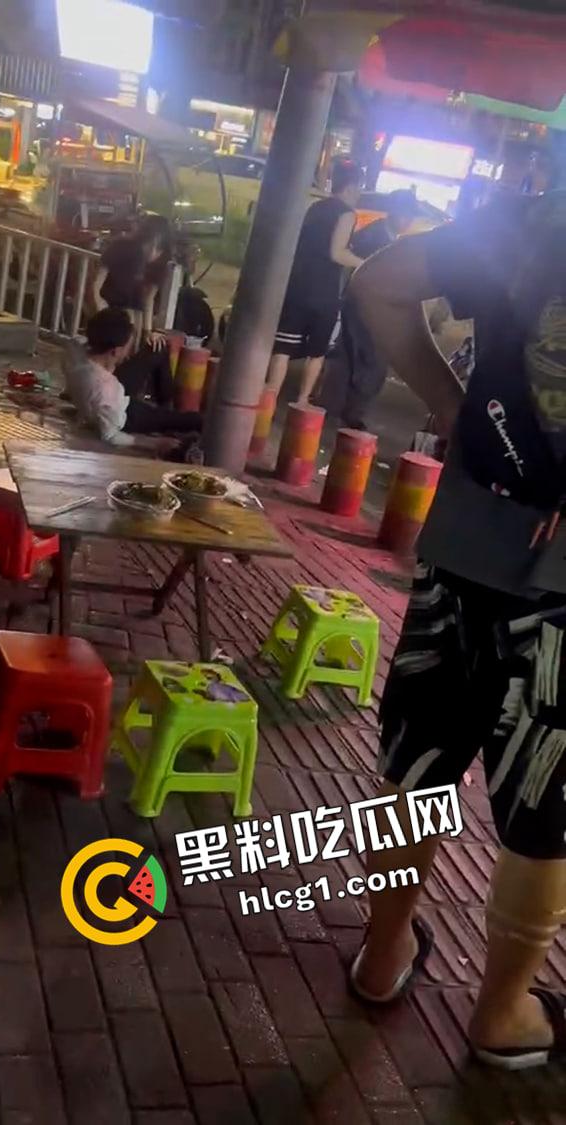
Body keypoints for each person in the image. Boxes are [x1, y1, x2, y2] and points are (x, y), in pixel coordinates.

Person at [346, 190, 566, 1069]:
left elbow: (380, 282)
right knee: (545, 803)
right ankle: (502, 1013)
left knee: (420, 756)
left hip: (472, 525)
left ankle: (381, 954)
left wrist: (454, 406)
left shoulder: (531, 219)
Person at [266, 161, 364, 407]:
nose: (359, 193)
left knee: (283, 349)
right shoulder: (347, 214)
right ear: (351, 187)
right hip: (323, 292)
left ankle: (270, 398)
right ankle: (302, 401)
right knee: (317, 352)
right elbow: (337, 253)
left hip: (296, 286)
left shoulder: (315, 207)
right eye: (359, 188)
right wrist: (364, 263)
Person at [341, 189, 420, 430]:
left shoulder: (385, 235)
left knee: (364, 358)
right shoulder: (375, 237)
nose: (410, 221)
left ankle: (348, 408)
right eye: (407, 214)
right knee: (373, 359)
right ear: (394, 212)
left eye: (412, 216)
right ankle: (353, 414)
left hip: (369, 306)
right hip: (363, 306)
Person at [63, 308, 201, 446]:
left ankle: (167, 407)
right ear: (115, 351)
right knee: (194, 420)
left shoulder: (73, 347)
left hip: (103, 386)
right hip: (127, 415)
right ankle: (169, 417)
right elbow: (111, 436)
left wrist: (150, 338)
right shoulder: (107, 391)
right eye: (128, 348)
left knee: (159, 348)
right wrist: (155, 443)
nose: (128, 354)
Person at [94, 212, 172, 350]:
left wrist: (148, 331)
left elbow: (149, 298)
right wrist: (101, 308)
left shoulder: (160, 264)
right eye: (149, 243)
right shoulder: (121, 247)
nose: (152, 251)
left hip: (133, 314)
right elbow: (95, 284)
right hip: (110, 309)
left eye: (158, 248)